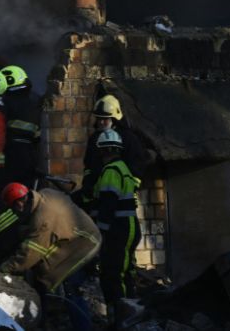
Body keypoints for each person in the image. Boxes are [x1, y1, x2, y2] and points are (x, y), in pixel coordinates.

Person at [0, 182, 101, 331]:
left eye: (14, 209)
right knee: (41, 278)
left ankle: (84, 327)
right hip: (77, 237)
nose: (16, 213)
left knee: (70, 290)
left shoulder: (42, 220)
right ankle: (42, 322)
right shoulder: (45, 193)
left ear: (20, 204)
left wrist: (4, 269)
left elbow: (29, 254)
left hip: (84, 245)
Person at [90, 130, 141, 328]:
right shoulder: (122, 168)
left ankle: (122, 319)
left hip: (119, 229)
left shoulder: (111, 171)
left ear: (103, 151)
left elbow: (108, 204)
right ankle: (129, 315)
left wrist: (100, 232)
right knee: (125, 272)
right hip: (126, 227)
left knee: (115, 273)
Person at [79, 95, 149, 211]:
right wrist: (88, 185)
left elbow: (138, 165)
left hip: (121, 197)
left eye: (105, 119)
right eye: (99, 118)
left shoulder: (128, 139)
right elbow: (88, 165)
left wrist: (130, 187)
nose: (101, 122)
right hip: (97, 196)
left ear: (114, 118)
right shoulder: (94, 139)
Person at [0, 65, 42, 187]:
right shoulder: (34, 105)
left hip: (9, 156)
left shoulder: (5, 104)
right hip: (29, 157)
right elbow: (37, 137)